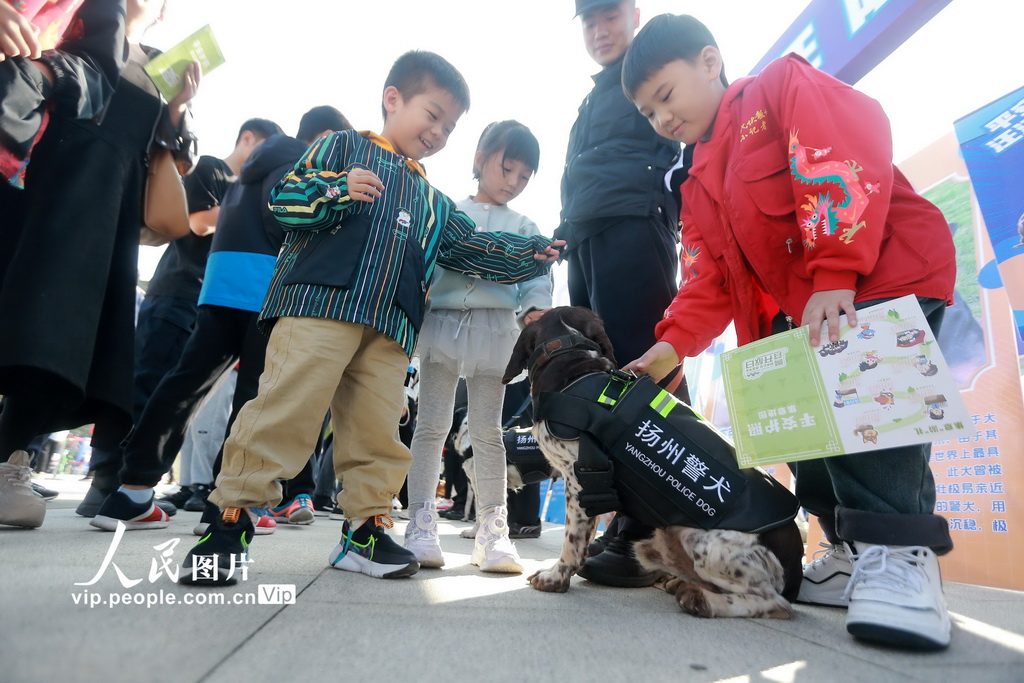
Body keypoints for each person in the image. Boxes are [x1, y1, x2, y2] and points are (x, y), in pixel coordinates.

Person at [621, 14, 957, 650]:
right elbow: (706, 281)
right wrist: (669, 347)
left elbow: (844, 149)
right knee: (810, 443)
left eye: (665, 96)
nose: (662, 119)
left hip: (876, 281)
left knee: (873, 429)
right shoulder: (695, 184)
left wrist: (835, 270)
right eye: (647, 112)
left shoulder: (779, 89)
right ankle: (852, 552)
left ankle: (902, 556)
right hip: (799, 319)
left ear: (710, 61)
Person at [175, 50, 563, 585]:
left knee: (377, 432)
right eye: (432, 115)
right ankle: (228, 522)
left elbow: (470, 247)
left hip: (391, 329)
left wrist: (531, 254)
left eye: (450, 126)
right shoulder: (339, 146)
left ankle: (365, 532)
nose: (439, 133)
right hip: (319, 306)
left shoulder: (430, 196)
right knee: (284, 411)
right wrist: (335, 190)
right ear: (392, 99)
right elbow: (285, 200)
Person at [88, 110, 351, 532]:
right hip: (264, 285)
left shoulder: (251, 167)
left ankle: (132, 491)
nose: (342, 158)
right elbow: (282, 216)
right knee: (253, 400)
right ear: (323, 136)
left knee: (185, 384)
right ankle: (224, 509)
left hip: (220, 284)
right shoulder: (299, 164)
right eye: (339, 145)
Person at [0, 0, 196, 529]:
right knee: (23, 311)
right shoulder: (75, 18)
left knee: (59, 342)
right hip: (40, 175)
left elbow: (173, 160)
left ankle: (10, 463)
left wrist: (177, 109)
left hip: (107, 211)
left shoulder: (158, 66)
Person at [79, 117, 282, 518]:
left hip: (208, 292)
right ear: (248, 139)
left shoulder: (241, 182)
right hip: (179, 292)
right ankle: (112, 481)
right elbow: (196, 222)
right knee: (154, 387)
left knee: (180, 388)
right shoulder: (213, 169)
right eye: (265, 149)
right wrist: (257, 208)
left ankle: (133, 487)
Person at [557, 0, 681, 588]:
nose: (599, 30)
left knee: (644, 366)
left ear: (635, 13)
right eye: (588, 21)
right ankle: (631, 511)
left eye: (609, 15)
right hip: (585, 240)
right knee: (605, 379)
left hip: (633, 226)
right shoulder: (594, 96)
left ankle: (653, 520)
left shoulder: (652, 71)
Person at [403, 120, 551, 573]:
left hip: (495, 331)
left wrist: (534, 312)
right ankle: (420, 523)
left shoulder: (526, 225)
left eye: (524, 177)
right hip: (441, 324)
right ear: (479, 159)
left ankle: (493, 529)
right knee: (431, 425)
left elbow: (537, 278)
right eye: (507, 168)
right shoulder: (446, 210)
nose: (513, 182)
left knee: (488, 430)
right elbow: (425, 264)